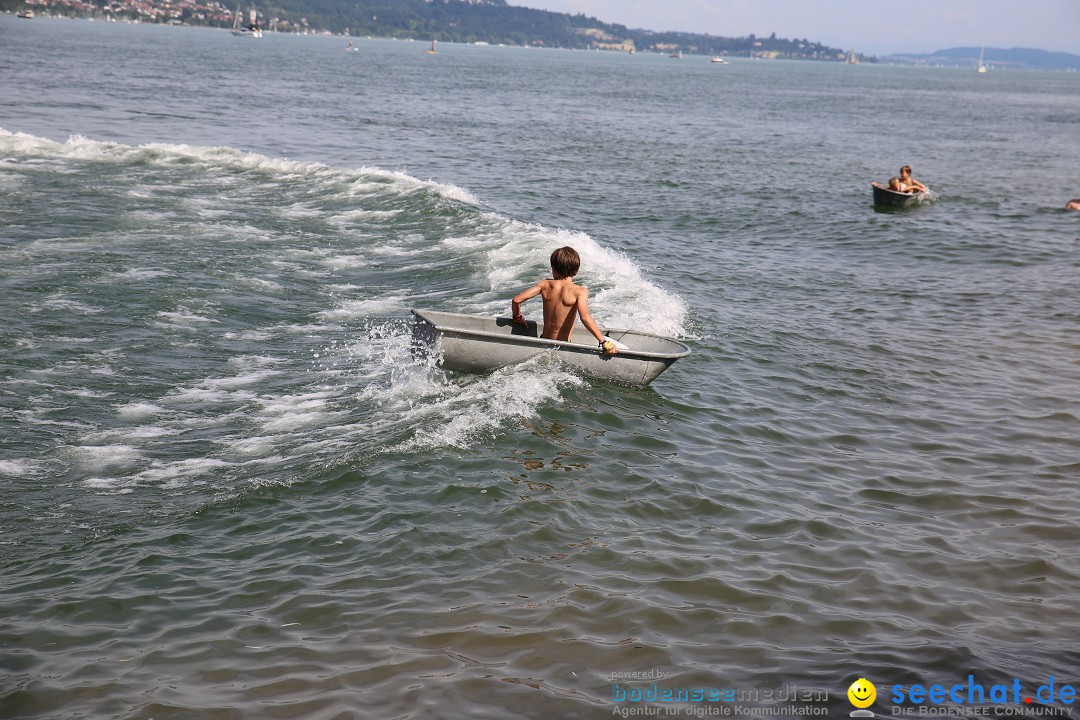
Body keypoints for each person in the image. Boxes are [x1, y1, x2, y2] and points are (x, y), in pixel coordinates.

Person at [511, 246, 618, 355]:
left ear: (554, 268)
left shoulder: (545, 284)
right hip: (562, 348)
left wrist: (517, 317)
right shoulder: (580, 291)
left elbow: (516, 300)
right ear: (576, 269)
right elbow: (585, 318)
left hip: (543, 343)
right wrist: (603, 341)